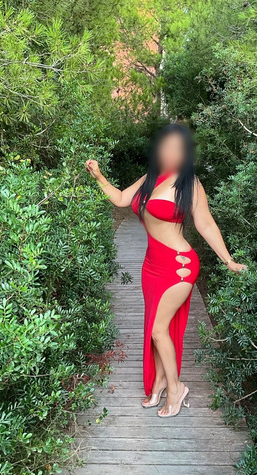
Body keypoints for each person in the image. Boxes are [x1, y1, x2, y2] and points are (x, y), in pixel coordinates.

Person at [85, 124, 246, 418]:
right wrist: (99, 177)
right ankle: (159, 382)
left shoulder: (190, 184)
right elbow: (120, 199)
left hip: (179, 266)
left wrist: (228, 260)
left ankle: (176, 388)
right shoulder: (150, 178)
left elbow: (206, 224)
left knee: (159, 330)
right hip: (151, 266)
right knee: (157, 327)